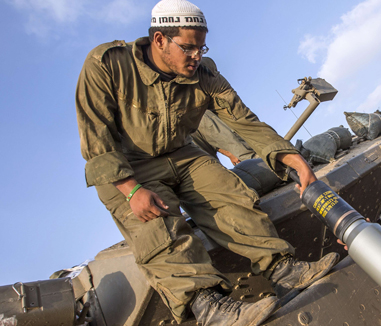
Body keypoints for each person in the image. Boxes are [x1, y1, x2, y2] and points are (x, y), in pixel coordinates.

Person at [75, 0, 338, 325]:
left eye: (201, 46)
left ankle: (281, 269)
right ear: (159, 40)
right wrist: (131, 191)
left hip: (180, 154)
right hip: (127, 168)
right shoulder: (107, 65)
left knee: (230, 191)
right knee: (157, 224)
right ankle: (210, 306)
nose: (197, 56)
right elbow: (95, 139)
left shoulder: (205, 75)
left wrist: (293, 159)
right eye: (188, 47)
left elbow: (245, 121)